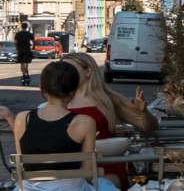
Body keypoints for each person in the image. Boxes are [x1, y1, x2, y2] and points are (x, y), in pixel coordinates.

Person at [0, 62, 117, 190]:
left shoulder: (22, 119)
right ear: (74, 90)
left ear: (41, 88)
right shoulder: (85, 122)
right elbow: (88, 172)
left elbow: (22, 165)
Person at [60, 53, 159, 188]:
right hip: (68, 168)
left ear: (88, 71)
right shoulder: (58, 101)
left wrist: (143, 112)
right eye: (61, 68)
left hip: (106, 165)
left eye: (69, 68)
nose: (64, 73)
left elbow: (149, 126)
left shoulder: (109, 100)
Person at [15, 21, 34, 86]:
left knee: (21, 63)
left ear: (21, 27)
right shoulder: (29, 33)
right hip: (27, 49)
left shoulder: (18, 34)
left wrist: (17, 48)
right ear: (27, 27)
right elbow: (33, 40)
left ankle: (23, 74)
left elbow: (15, 42)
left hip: (20, 50)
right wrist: (33, 47)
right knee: (26, 62)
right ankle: (25, 74)